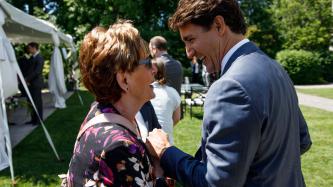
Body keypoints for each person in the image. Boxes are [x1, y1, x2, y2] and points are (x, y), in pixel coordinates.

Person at [146, 0, 312, 187]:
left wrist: (165, 152)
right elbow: (302, 140)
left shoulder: (230, 86)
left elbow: (215, 182)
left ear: (219, 25)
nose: (189, 53)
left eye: (190, 40)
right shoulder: (276, 69)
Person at [67, 21, 167, 186]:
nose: (155, 69)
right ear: (124, 79)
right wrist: (159, 171)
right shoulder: (119, 147)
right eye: (148, 62)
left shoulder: (99, 112)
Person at [150, 58, 181, 145]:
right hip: (167, 143)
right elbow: (177, 118)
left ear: (153, 72)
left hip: (148, 143)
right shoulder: (173, 92)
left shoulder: (142, 92)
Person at [23, 42, 44, 126]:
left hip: (36, 83)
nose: (29, 50)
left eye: (30, 48)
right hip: (31, 83)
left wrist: (27, 79)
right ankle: (33, 119)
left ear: (34, 48)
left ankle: (39, 120)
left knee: (37, 102)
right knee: (30, 102)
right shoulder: (32, 57)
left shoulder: (39, 57)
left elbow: (37, 71)